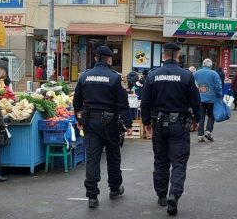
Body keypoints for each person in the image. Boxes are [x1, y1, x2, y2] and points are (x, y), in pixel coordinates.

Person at [141, 43, 201, 216]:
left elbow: (145, 102)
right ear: (178, 56)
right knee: (179, 161)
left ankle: (161, 195)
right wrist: (196, 119)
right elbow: (195, 101)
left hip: (158, 123)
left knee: (160, 159)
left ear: (163, 55)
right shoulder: (186, 76)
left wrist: (146, 122)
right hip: (179, 124)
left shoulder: (152, 75)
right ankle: (174, 194)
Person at [73, 46, 132, 209]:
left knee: (93, 158)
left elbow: (76, 101)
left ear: (95, 59)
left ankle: (92, 196)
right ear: (109, 59)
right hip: (110, 123)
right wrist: (128, 124)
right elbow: (123, 103)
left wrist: (78, 118)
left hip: (90, 123)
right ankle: (114, 188)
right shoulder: (114, 78)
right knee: (113, 156)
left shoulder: (84, 76)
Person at [194, 59, 223, 143]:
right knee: (211, 115)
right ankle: (208, 131)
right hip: (212, 99)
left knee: (201, 117)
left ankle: (200, 135)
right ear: (210, 65)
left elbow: (192, 84)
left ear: (203, 64)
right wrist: (219, 95)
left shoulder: (196, 73)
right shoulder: (214, 74)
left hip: (200, 98)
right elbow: (218, 86)